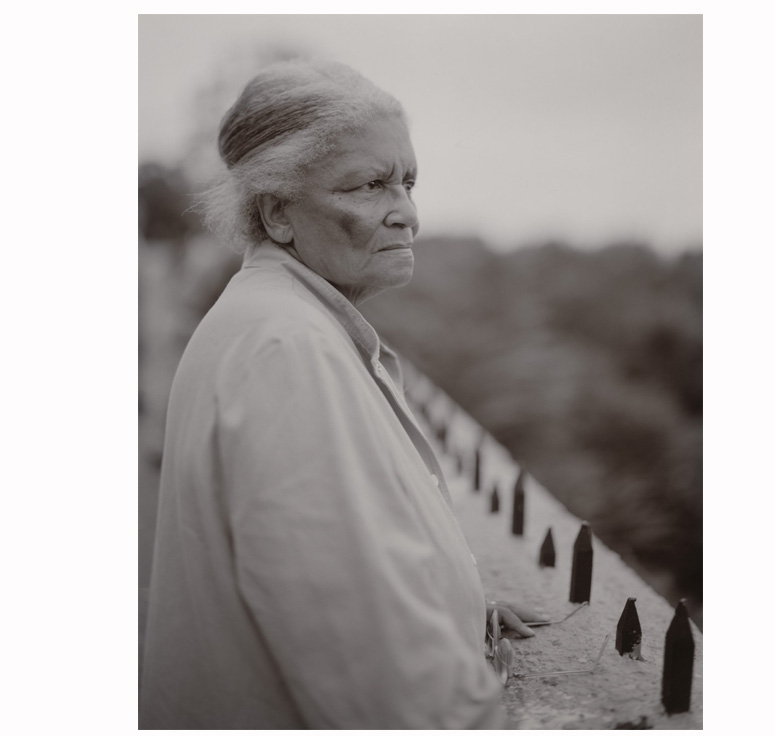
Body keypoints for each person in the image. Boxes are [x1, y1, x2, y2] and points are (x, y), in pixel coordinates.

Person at [139, 58, 546, 729]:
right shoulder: (286, 349)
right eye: (370, 185)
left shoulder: (283, 319)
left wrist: (454, 605)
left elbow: (321, 561)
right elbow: (370, 662)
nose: (407, 214)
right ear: (277, 215)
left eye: (409, 181)